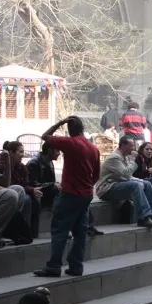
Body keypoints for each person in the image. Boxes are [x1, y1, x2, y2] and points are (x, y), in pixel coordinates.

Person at [35, 116, 101, 278]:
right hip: (86, 194)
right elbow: (96, 175)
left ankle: (54, 266)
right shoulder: (93, 148)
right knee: (80, 232)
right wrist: (86, 185)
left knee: (60, 230)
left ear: (69, 129)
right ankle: (76, 265)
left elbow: (45, 136)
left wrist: (60, 122)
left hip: (70, 193)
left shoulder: (70, 143)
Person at [95, 135, 152, 228]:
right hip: (107, 189)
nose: (133, 148)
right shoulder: (114, 158)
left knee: (146, 183)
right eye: (131, 145)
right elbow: (126, 174)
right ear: (123, 146)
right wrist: (132, 160)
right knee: (135, 186)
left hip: (118, 184)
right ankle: (143, 218)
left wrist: (140, 180)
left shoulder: (125, 157)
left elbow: (128, 176)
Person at [0, 140, 44, 238]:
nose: (23, 155)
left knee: (36, 199)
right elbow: (9, 185)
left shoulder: (22, 167)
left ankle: (32, 232)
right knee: (26, 199)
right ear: (11, 153)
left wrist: (33, 189)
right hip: (5, 194)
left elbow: (25, 184)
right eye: (20, 152)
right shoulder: (0, 166)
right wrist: (31, 190)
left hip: (20, 191)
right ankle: (21, 232)